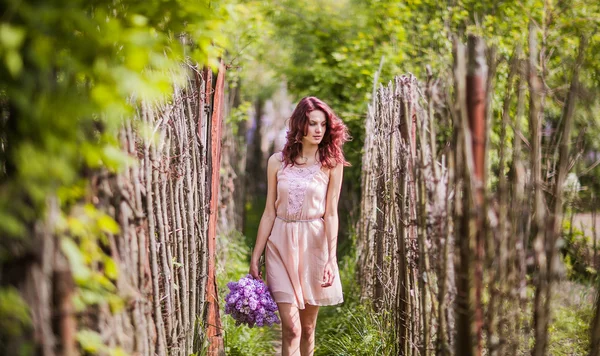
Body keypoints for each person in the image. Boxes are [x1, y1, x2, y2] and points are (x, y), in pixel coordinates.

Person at [249, 96, 350, 356]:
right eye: (313, 123)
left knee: (306, 329)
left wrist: (330, 258)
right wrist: (255, 255)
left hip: (314, 245)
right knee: (291, 329)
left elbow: (331, 214)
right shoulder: (277, 161)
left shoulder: (331, 164)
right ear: (299, 126)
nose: (319, 130)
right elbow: (269, 213)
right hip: (280, 244)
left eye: (323, 125)